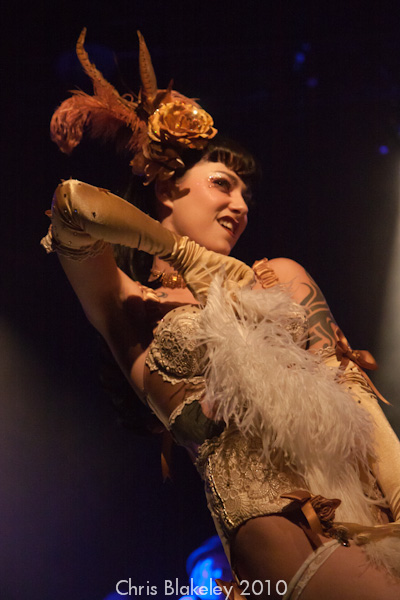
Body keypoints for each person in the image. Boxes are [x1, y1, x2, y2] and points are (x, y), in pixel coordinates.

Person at [42, 29, 400, 599]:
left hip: (366, 528)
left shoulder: (278, 277)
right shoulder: (129, 307)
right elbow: (72, 206)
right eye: (222, 185)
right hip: (274, 554)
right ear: (166, 188)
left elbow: (357, 402)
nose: (239, 206)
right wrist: (183, 255)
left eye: (246, 197)